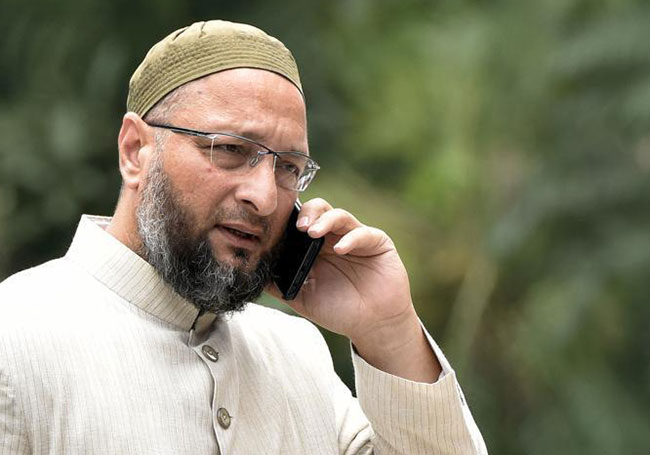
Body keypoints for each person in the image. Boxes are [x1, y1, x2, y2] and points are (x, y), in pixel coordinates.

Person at [0, 20, 487, 454]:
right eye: (231, 149)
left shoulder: (295, 353)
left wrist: (388, 330)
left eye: (288, 167)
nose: (265, 197)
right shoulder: (17, 338)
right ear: (135, 151)